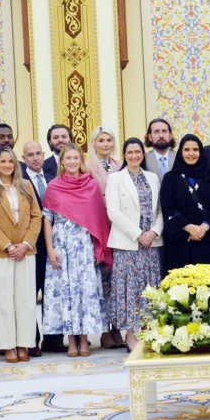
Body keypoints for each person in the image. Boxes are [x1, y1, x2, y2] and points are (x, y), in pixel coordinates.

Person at [42, 144, 111, 357]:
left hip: (84, 246)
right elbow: (47, 220)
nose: (72, 161)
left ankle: (84, 340)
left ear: (81, 160)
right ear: (61, 161)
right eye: (68, 158)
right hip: (62, 246)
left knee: (83, 292)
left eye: (76, 158)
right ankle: (70, 340)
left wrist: (99, 248)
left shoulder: (90, 185)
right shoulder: (54, 186)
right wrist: (50, 249)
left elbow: (99, 219)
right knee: (66, 292)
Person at [0, 147, 42, 364]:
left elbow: (37, 216)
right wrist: (8, 246)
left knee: (25, 300)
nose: (7, 165)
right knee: (3, 300)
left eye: (11, 161)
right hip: (0, 253)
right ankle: (8, 346)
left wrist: (25, 244)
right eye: (3, 161)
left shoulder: (25, 185)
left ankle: (24, 344)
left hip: (26, 251)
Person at [106, 137, 164, 350]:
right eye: (130, 152)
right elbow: (113, 211)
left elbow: (159, 210)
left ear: (142, 154)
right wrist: (139, 233)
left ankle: (149, 331)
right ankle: (131, 334)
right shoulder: (116, 178)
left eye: (137, 152)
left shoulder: (152, 178)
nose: (134, 156)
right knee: (131, 290)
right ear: (124, 155)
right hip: (129, 244)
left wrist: (154, 231)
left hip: (151, 244)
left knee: (149, 288)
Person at [84, 125, 126, 350]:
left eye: (109, 140)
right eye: (101, 140)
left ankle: (117, 328)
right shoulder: (88, 166)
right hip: (100, 226)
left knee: (117, 280)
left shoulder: (121, 164)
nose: (106, 144)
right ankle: (103, 330)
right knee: (103, 281)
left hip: (119, 228)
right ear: (94, 143)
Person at [160, 134, 210, 274]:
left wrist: (203, 228)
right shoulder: (170, 178)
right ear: (181, 152)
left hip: (207, 239)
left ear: (200, 152)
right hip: (180, 241)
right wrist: (189, 228)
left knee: (208, 289)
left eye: (195, 149)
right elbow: (168, 208)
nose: (191, 154)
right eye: (187, 150)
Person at [21, 140, 57, 354]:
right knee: (29, 294)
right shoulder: (19, 181)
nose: (35, 158)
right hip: (30, 245)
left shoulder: (53, 180)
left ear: (43, 155)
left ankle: (52, 340)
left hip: (52, 245)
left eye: (38, 154)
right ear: (24, 158)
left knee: (51, 294)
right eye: (30, 155)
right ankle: (31, 340)